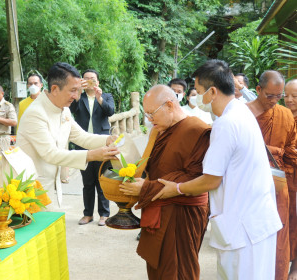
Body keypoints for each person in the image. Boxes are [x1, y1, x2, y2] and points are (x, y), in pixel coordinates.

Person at [153, 60, 282, 279]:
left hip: (244, 230)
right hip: (256, 222)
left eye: (199, 91)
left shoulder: (226, 124)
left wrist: (177, 188)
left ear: (213, 91)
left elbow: (210, 180)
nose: (196, 97)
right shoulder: (242, 111)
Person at [119, 85, 210, 279]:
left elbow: (196, 178)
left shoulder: (198, 130)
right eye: (147, 115)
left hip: (182, 213)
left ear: (169, 105)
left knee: (178, 269)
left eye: (152, 114)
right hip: (158, 208)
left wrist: (147, 188)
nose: (149, 119)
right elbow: (146, 167)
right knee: (158, 269)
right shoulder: (158, 130)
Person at [16, 62, 119, 208]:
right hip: (33, 190)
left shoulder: (63, 109)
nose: (76, 96)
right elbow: (51, 154)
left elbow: (82, 137)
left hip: (53, 187)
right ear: (55, 89)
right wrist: (93, 155)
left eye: (78, 91)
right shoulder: (36, 114)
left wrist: (109, 139)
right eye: (73, 90)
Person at [246, 71, 297, 280]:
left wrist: (281, 169)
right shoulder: (242, 114)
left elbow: (292, 150)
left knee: (279, 236)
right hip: (249, 186)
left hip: (278, 186)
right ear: (258, 90)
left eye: (279, 96)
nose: (275, 101)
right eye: (270, 96)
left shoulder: (283, 115)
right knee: (253, 237)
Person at [70, 69, 114, 226]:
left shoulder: (106, 96)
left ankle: (104, 214)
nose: (89, 81)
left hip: (102, 143)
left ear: (98, 82)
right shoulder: (78, 98)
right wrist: (78, 91)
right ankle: (87, 214)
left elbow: (110, 111)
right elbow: (71, 111)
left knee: (103, 180)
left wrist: (99, 98)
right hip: (83, 146)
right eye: (86, 78)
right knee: (87, 182)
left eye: (92, 79)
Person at [285, 79, 297, 280]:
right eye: (286, 95)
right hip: (281, 179)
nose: (289, 100)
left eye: (294, 96)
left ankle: (295, 269)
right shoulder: (279, 116)